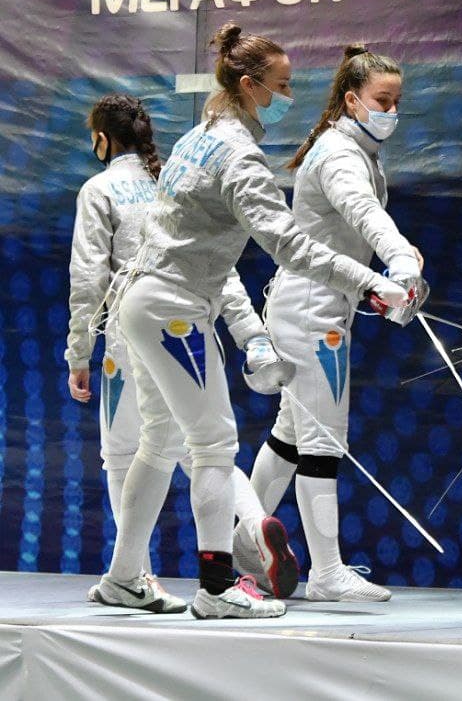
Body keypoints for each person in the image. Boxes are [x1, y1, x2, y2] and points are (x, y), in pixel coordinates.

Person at [89, 23, 409, 620]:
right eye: (280, 86)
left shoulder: (199, 136)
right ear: (247, 85)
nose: (286, 97)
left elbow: (197, 246)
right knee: (214, 445)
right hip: (174, 311)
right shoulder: (240, 156)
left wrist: (251, 332)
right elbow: (290, 244)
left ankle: (123, 576)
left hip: (142, 302)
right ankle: (216, 590)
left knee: (160, 442)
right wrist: (370, 280)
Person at [67, 94, 297, 597]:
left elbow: (87, 277)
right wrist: (251, 336)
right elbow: (221, 270)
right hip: (189, 327)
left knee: (126, 455)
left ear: (102, 140)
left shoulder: (99, 189)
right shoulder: (175, 180)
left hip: (127, 336)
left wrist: (78, 353)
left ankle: (136, 575)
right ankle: (253, 524)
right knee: (204, 450)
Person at [246, 45, 424, 603]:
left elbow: (354, 230)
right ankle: (326, 572)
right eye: (382, 100)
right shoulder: (340, 155)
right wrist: (399, 260)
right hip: (311, 312)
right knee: (322, 441)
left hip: (315, 304)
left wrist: (386, 273)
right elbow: (364, 215)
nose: (391, 111)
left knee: (292, 436)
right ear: (351, 100)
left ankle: (238, 545)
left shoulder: (353, 149)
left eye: (396, 102)